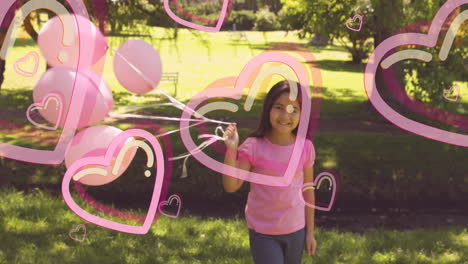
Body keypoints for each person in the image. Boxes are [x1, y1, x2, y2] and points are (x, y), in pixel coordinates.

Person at [222, 80, 316, 264]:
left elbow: (308, 191)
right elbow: (231, 186)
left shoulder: (305, 147)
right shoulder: (253, 146)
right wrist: (231, 149)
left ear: (301, 115)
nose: (285, 115)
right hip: (263, 232)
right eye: (279, 107)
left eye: (293, 109)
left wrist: (310, 232)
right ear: (268, 109)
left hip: (296, 229)